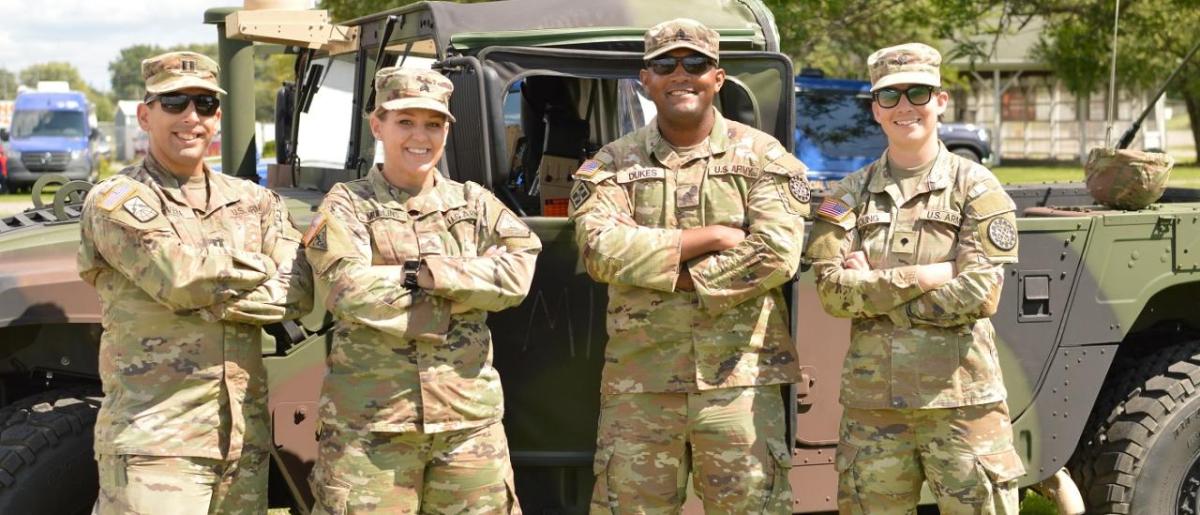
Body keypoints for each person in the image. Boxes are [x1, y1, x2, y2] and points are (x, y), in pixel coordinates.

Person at [569, 18, 808, 514]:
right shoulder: (613, 164)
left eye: (696, 63)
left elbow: (777, 252)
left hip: (739, 385)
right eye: (666, 64)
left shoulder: (764, 157)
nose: (682, 74)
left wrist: (677, 277)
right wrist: (712, 238)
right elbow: (598, 248)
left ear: (717, 78)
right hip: (642, 385)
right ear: (646, 79)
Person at [78, 51, 313, 514]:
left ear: (217, 117)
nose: (191, 117)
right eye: (174, 102)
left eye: (204, 104)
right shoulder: (116, 200)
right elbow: (179, 279)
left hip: (242, 442)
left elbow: (299, 289)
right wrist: (259, 268)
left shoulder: (253, 200)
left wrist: (210, 288)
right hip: (156, 443)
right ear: (145, 115)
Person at [303, 66, 540, 514]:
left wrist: (430, 274)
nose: (421, 136)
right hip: (371, 428)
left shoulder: (475, 203)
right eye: (405, 122)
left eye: (433, 124)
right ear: (378, 126)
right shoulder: (346, 205)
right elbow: (348, 289)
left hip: (468, 426)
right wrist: (458, 286)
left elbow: (517, 275)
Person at [805, 42, 1026, 514]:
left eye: (918, 93)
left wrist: (874, 289)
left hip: (962, 404)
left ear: (941, 101)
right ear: (875, 111)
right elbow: (830, 291)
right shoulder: (847, 195)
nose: (905, 107)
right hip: (874, 407)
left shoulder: (978, 188)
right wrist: (930, 273)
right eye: (890, 97)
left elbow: (980, 294)